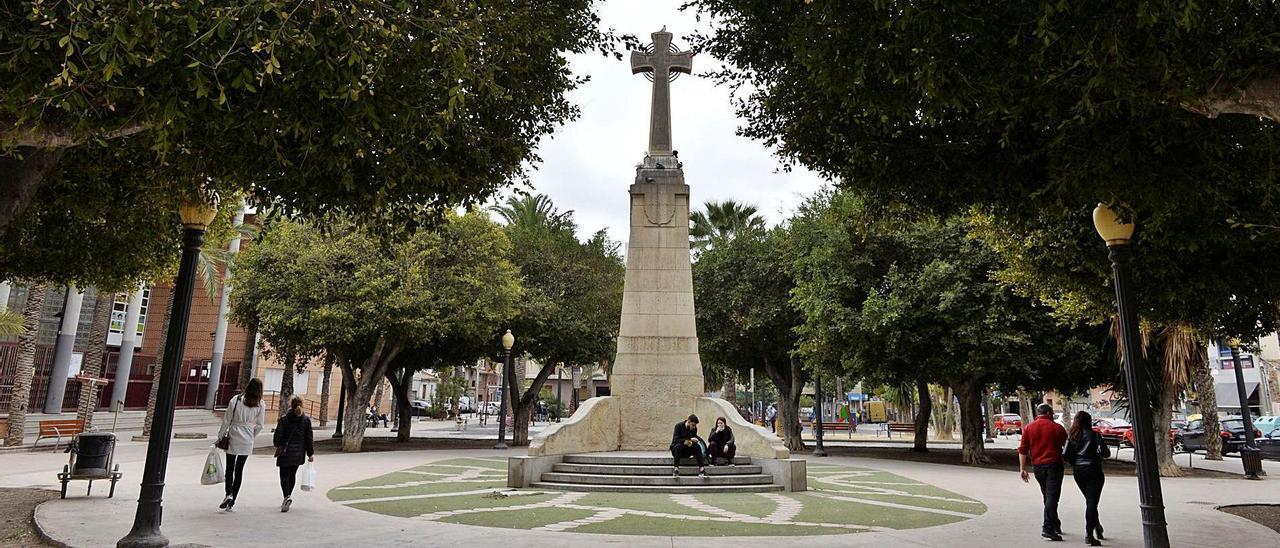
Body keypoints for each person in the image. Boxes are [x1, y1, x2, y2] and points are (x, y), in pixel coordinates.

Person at [1019, 403, 1068, 541]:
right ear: (1049, 413)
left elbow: (1022, 449)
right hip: (1054, 465)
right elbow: (1067, 446)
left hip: (1038, 467)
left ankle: (1055, 524)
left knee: (1047, 496)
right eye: (1052, 413)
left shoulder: (1029, 428)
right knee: (1052, 497)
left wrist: (1022, 468)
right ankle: (1047, 527)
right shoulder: (1057, 428)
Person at [217, 378, 265, 512]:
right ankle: (232, 502)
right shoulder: (260, 404)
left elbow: (226, 420)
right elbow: (260, 425)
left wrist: (220, 436)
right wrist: (251, 435)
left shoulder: (236, 400)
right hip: (247, 437)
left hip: (234, 434)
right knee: (239, 470)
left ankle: (228, 493)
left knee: (229, 468)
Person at [1064, 411, 1109, 546]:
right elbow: (1106, 453)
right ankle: (1089, 534)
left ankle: (1097, 527)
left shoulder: (1072, 436)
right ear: (1088, 421)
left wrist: (1076, 462)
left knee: (1090, 501)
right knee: (1092, 502)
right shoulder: (1094, 435)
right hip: (1094, 470)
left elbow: (1065, 455)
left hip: (1079, 471)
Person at [274, 395, 315, 513]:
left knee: (284, 476)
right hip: (299, 453)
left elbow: (277, 438)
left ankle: (286, 496)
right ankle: (289, 496)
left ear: (290, 405)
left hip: (285, 452)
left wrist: (279, 444)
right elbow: (309, 438)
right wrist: (310, 453)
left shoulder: (284, 419)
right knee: (292, 475)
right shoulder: (306, 420)